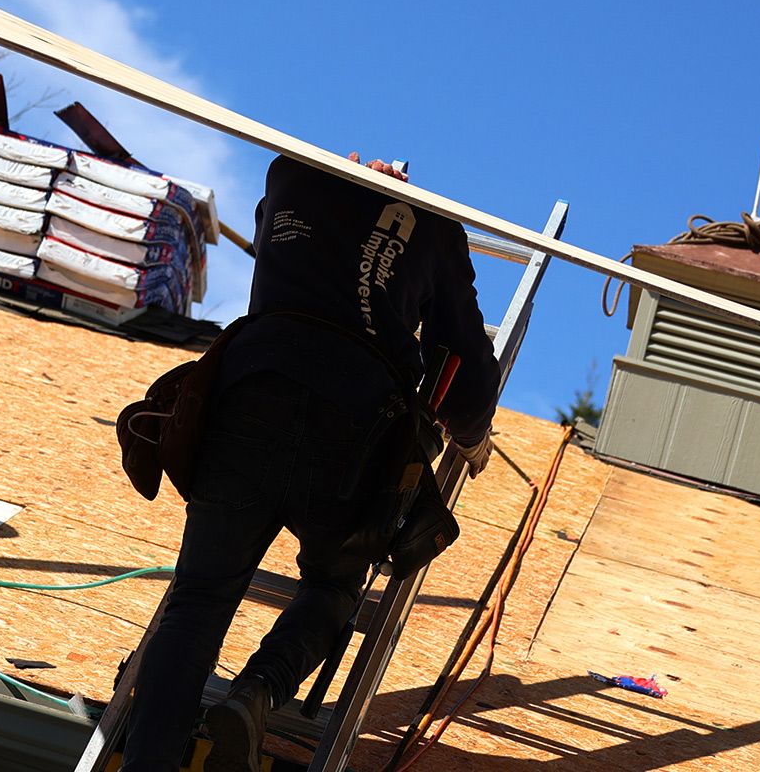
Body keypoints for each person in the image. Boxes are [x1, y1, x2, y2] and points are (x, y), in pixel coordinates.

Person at [120, 154, 499, 772]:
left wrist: (328, 175)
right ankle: (258, 692)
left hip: (250, 398)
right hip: (355, 429)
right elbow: (467, 367)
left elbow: (282, 225)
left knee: (198, 601)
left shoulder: (291, 176)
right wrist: (471, 438)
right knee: (333, 585)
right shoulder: (433, 227)